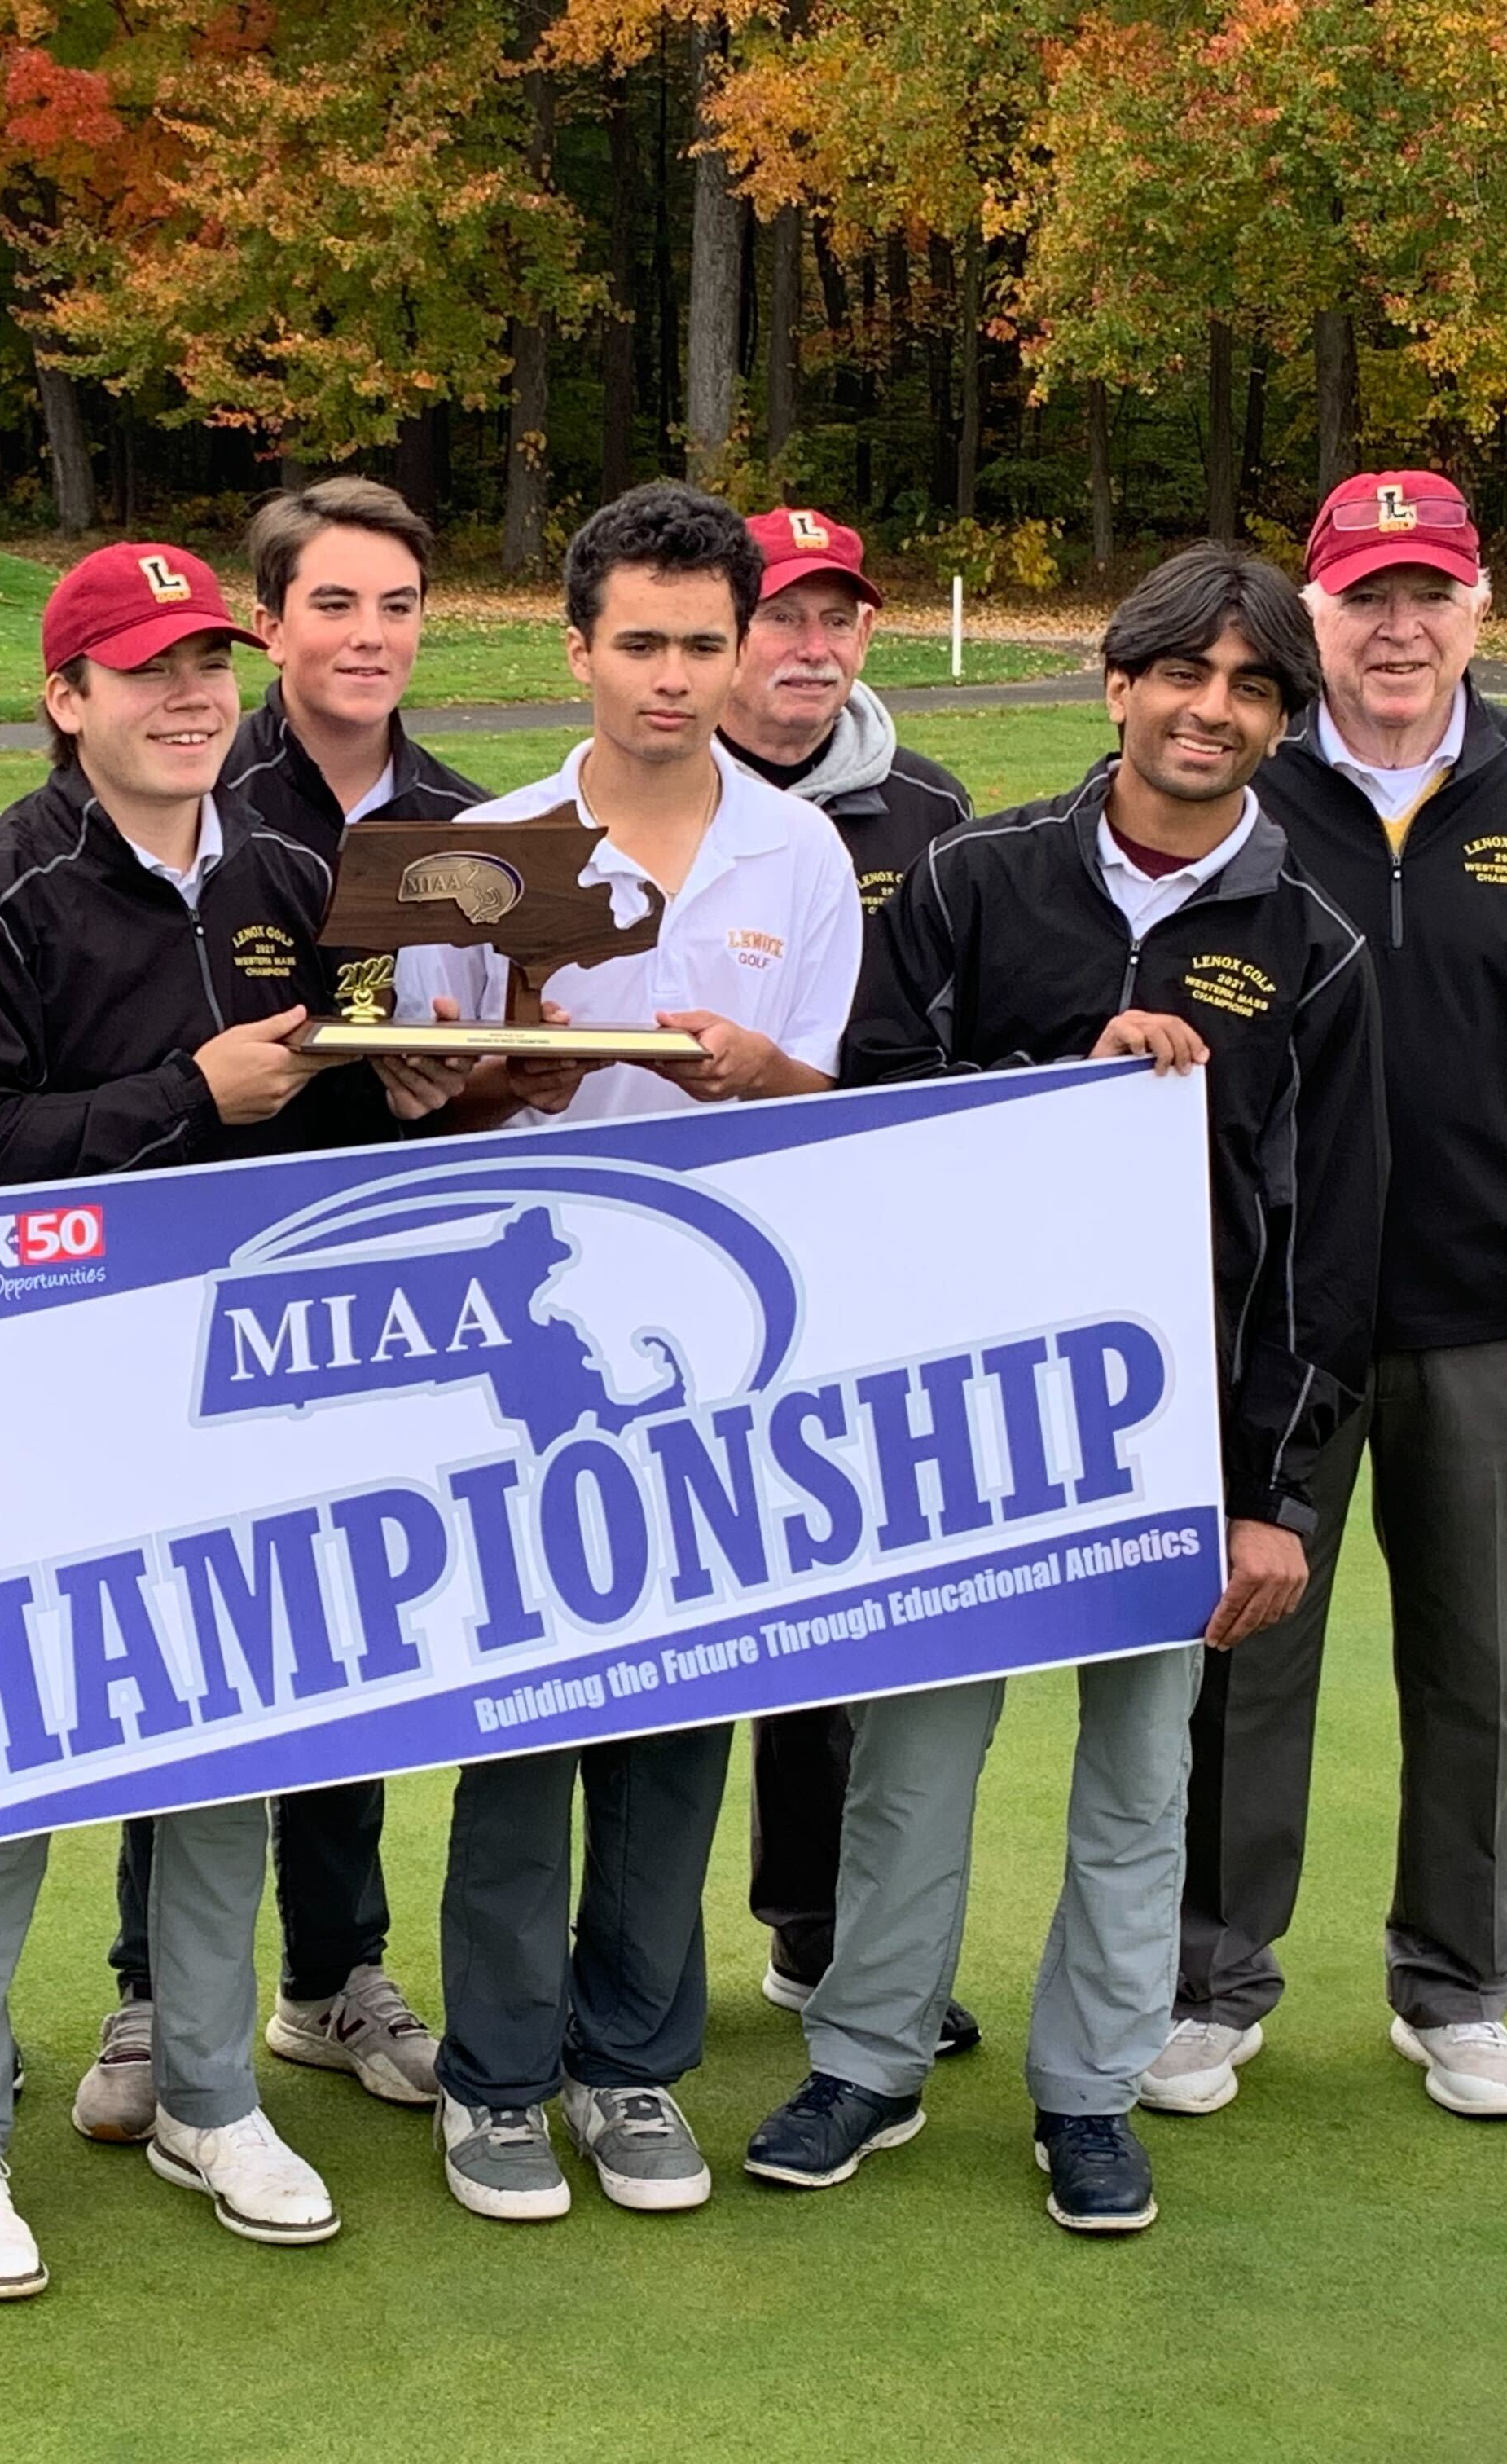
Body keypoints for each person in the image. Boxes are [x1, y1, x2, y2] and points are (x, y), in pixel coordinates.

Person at [745, 543, 1382, 2237]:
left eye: (1253, 690)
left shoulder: (1311, 944)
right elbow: (872, 1111)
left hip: (1170, 1448)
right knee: (914, 1761)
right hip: (966, 1419)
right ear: (1120, 684)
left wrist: (1277, 1493)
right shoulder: (980, 875)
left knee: (1137, 1780)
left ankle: (1090, 2095)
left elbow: (1327, 1246)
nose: (1214, 711)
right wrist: (1063, 1078)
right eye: (1187, 675)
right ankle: (867, 2059)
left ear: (1277, 724)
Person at [0, 540, 468, 2299]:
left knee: (233, 1752)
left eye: (209, 660)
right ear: (69, 702)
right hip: (40, 1404)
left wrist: (412, 1097)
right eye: (144, 670)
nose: (191, 693)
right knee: (10, 1765)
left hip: (260, 1393)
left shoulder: (302, 868)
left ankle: (212, 2086)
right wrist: (180, 1099)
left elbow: (347, 1131)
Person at [1141, 473, 1507, 2123]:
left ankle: (1457, 1988)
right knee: (1248, 1653)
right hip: (1263, 1321)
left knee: (1474, 1668)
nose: (1397, 627)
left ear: (1479, 605)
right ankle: (1212, 1980)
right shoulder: (1233, 778)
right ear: (1313, 611)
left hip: (1488, 1307)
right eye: (1366, 595)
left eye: (1427, 594)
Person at [392, 481, 864, 2224]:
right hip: (522, 1341)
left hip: (719, 1342)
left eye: (705, 643)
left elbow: (831, 1109)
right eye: (642, 643)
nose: (674, 677)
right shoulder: (481, 848)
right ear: (577, 647)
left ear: (746, 651)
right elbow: (419, 1113)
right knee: (517, 1713)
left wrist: (757, 1074)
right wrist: (492, 1079)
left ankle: (632, 2066)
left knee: (678, 1717)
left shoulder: (799, 853)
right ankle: (499, 2080)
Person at [75, 478, 480, 2147]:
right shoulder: (192, 779)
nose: (367, 636)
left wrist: (431, 1091)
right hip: (177, 1298)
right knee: (184, 1642)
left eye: (395, 606)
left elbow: (417, 1062)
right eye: (333, 606)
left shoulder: (463, 816)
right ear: (273, 621)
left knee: (347, 1644)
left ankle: (333, 1976)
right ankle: (155, 1987)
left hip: (368, 1286)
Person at [713, 506, 983, 2061]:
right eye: (782, 618)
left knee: (842, 1619)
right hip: (668, 1259)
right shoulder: (628, 795)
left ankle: (820, 1932)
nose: (811, 647)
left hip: (864, 1261)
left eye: (839, 620)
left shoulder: (931, 810)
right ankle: (614, 1955)